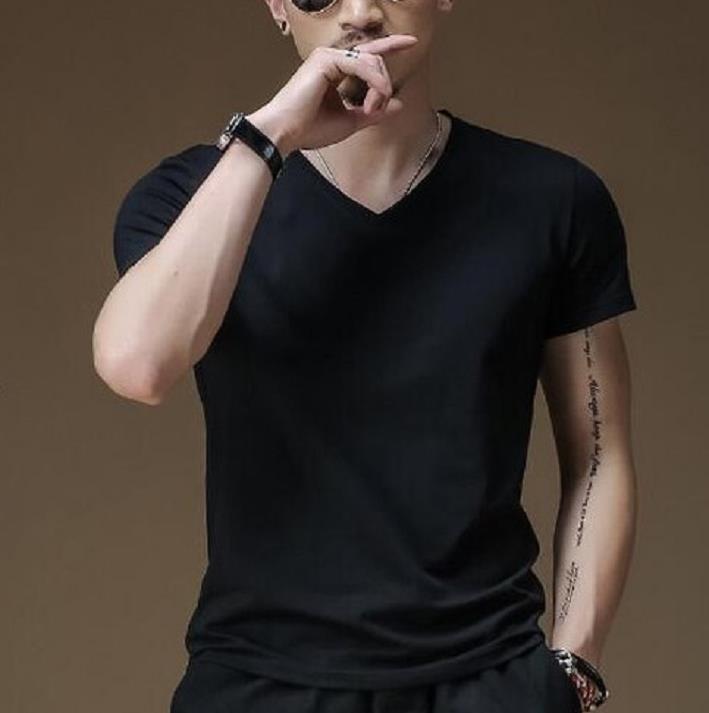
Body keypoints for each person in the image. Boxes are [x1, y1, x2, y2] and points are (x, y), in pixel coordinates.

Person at [92, 1, 639, 711]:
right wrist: (271, 137)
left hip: (490, 680)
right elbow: (137, 365)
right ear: (278, 7)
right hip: (258, 682)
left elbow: (599, 454)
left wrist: (573, 671)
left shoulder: (552, 200)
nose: (359, 11)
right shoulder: (191, 197)